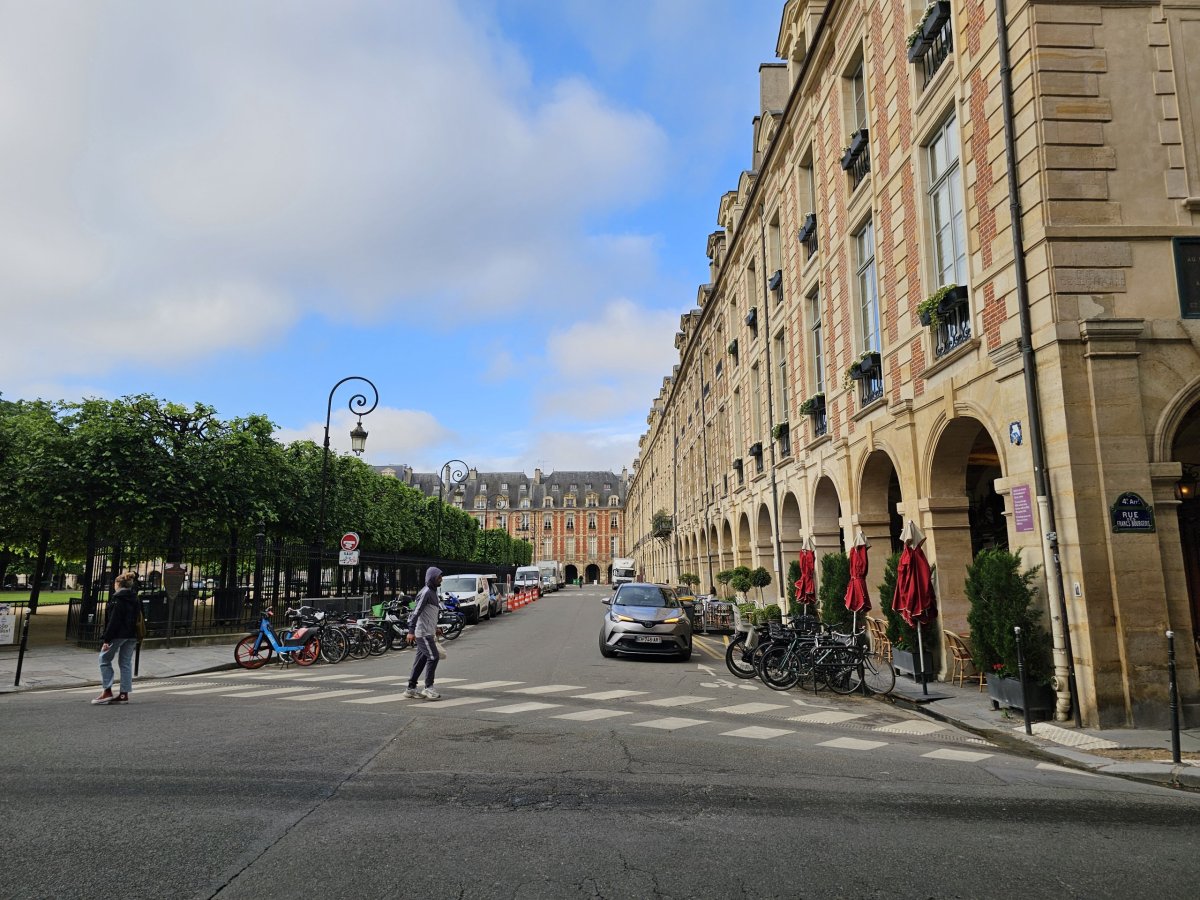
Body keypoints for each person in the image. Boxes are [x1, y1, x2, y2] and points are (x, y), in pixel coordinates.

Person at [92, 571, 140, 705]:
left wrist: (106, 639)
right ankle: (124, 694)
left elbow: (114, 621)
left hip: (118, 634)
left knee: (104, 659)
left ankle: (107, 691)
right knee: (125, 663)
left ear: (118, 584)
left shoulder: (117, 598)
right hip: (131, 634)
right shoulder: (134, 598)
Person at [404, 566, 443, 701]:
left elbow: (429, 614)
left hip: (427, 631)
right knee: (433, 657)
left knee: (420, 661)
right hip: (423, 633)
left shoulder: (432, 592)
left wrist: (435, 627)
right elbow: (416, 612)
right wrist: (411, 631)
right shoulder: (426, 592)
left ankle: (410, 688)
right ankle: (428, 687)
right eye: (439, 577)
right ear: (432, 577)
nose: (441, 580)